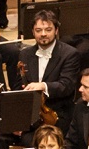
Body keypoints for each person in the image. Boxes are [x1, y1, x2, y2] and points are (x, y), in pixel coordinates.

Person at [17, 8, 80, 137]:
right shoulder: (25, 54)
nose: (43, 34)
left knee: (32, 139)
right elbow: (18, 85)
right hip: (32, 113)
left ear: (56, 30)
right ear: (33, 32)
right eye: (38, 30)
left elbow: (66, 86)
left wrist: (43, 86)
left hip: (57, 114)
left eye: (48, 29)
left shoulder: (69, 54)